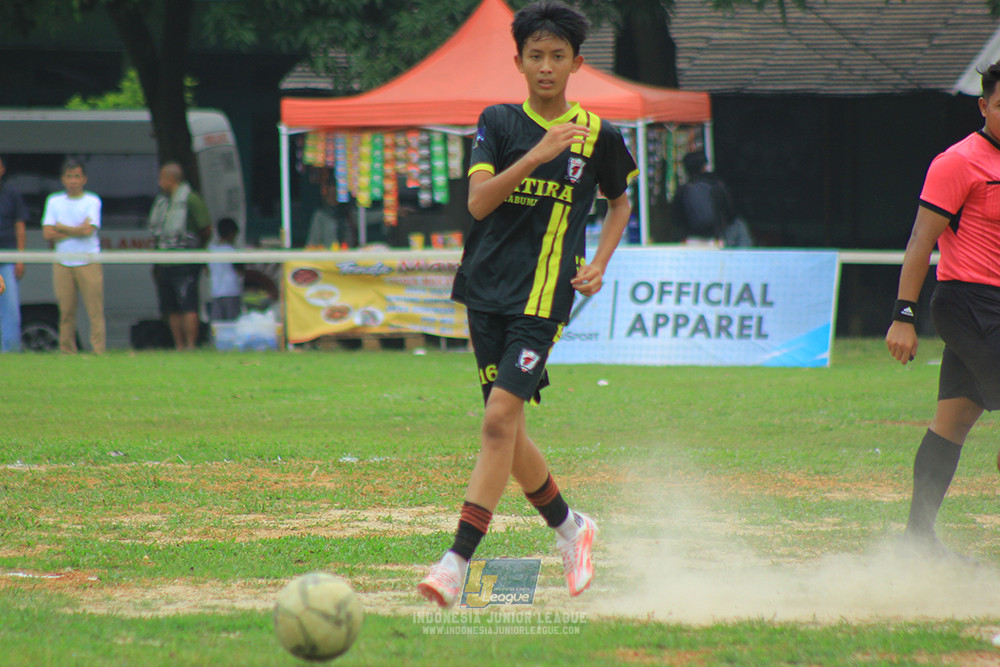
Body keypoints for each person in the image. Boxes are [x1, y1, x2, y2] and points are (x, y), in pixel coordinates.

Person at [417, 0, 637, 608]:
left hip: (543, 301)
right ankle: (571, 528)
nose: (546, 66)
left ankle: (455, 562)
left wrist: (599, 262)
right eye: (535, 56)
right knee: (506, 429)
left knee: (495, 422)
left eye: (557, 57)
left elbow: (619, 203)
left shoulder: (598, 135)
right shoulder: (496, 122)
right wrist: (538, 155)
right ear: (517, 61)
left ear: (576, 63)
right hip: (483, 292)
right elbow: (480, 203)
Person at [885, 59, 1000, 562]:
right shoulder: (958, 162)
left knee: (952, 421)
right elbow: (920, 241)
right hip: (969, 304)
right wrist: (902, 315)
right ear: (983, 107)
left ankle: (917, 540)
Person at [41, 158, 106, 354]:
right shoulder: (54, 201)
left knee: (94, 310)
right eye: (69, 177)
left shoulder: (92, 201)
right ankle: (67, 350)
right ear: (63, 179)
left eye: (77, 176)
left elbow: (89, 230)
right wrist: (76, 229)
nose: (73, 181)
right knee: (66, 310)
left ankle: (98, 350)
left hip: (88, 260)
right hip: (62, 261)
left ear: (84, 179)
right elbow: (47, 233)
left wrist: (61, 227)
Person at [148, 162, 212, 350]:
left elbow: (206, 228)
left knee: (188, 305)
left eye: (162, 178)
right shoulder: (162, 202)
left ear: (171, 179)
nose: (159, 183)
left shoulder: (191, 200)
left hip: (186, 261)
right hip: (165, 262)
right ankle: (179, 345)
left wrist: (198, 249)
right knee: (171, 306)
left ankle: (191, 345)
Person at [674, 151, 737, 246]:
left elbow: (676, 218)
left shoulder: (683, 190)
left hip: (690, 241)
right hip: (714, 239)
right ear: (704, 167)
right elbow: (730, 213)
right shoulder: (716, 186)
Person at [0, 155, 27, 353]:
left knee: (10, 311)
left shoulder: (11, 193)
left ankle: (9, 351)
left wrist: (20, 257)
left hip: (8, 257)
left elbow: (20, 225)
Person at [207, 217, 243, 322]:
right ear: (232, 234)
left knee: (217, 324)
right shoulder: (232, 251)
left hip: (215, 292)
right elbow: (240, 270)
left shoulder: (210, 250)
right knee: (232, 323)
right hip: (232, 291)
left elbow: (207, 270)